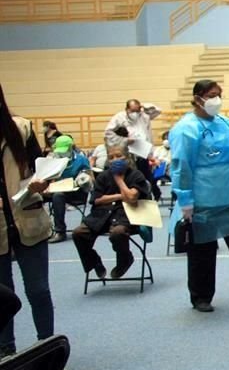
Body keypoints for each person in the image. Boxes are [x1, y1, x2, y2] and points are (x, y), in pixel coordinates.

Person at [169, 80, 229, 313]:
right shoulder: (185, 128)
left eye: (219, 95)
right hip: (203, 201)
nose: (216, 100)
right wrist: (185, 200)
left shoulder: (226, 124)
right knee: (203, 251)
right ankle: (201, 297)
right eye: (211, 95)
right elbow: (181, 166)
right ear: (198, 98)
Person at [0, 84, 56, 364]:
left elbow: (41, 168)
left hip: (27, 217)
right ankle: (5, 353)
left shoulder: (21, 129)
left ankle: (47, 350)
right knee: (3, 296)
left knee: (38, 289)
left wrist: (41, 182)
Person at [72, 145, 150, 280]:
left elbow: (132, 198)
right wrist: (121, 195)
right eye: (111, 157)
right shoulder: (102, 176)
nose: (115, 160)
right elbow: (96, 200)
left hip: (127, 214)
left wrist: (119, 180)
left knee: (118, 233)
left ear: (127, 158)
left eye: (119, 156)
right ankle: (94, 262)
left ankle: (125, 260)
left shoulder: (136, 175)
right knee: (78, 233)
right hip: (101, 215)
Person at [105, 99, 162, 202]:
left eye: (137, 110)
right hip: (127, 154)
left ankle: (147, 199)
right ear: (126, 109)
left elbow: (157, 110)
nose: (135, 113)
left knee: (145, 180)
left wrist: (144, 106)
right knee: (131, 180)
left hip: (143, 153)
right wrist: (125, 140)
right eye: (132, 111)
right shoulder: (119, 117)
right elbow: (108, 133)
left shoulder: (143, 115)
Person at [47, 135, 91, 243]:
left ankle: (60, 232)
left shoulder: (81, 159)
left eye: (64, 150)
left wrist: (83, 179)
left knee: (58, 196)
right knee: (38, 196)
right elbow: (49, 178)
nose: (62, 153)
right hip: (57, 190)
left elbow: (89, 178)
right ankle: (43, 231)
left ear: (71, 147)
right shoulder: (53, 160)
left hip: (76, 192)